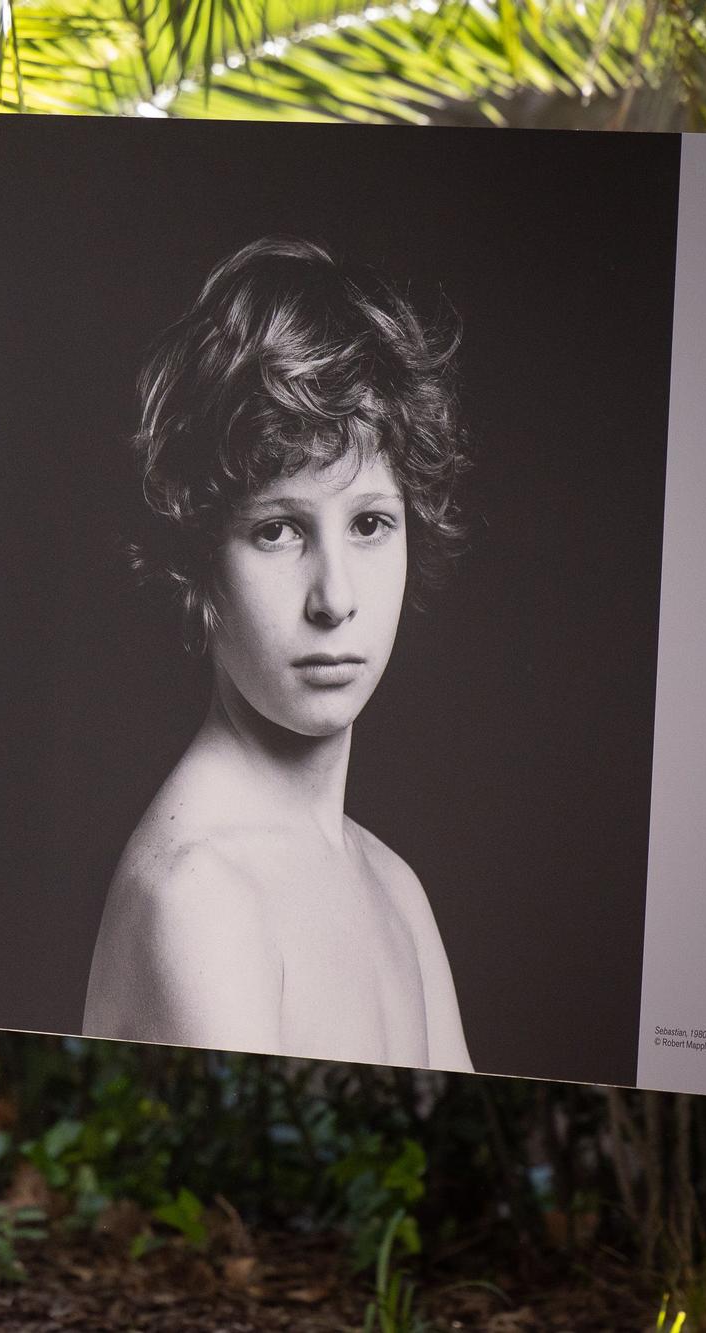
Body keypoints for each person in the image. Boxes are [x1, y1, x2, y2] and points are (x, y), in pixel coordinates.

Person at [82, 236, 474, 1073]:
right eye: (278, 530)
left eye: (370, 524)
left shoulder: (396, 889)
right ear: (199, 561)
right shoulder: (201, 895)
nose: (335, 597)